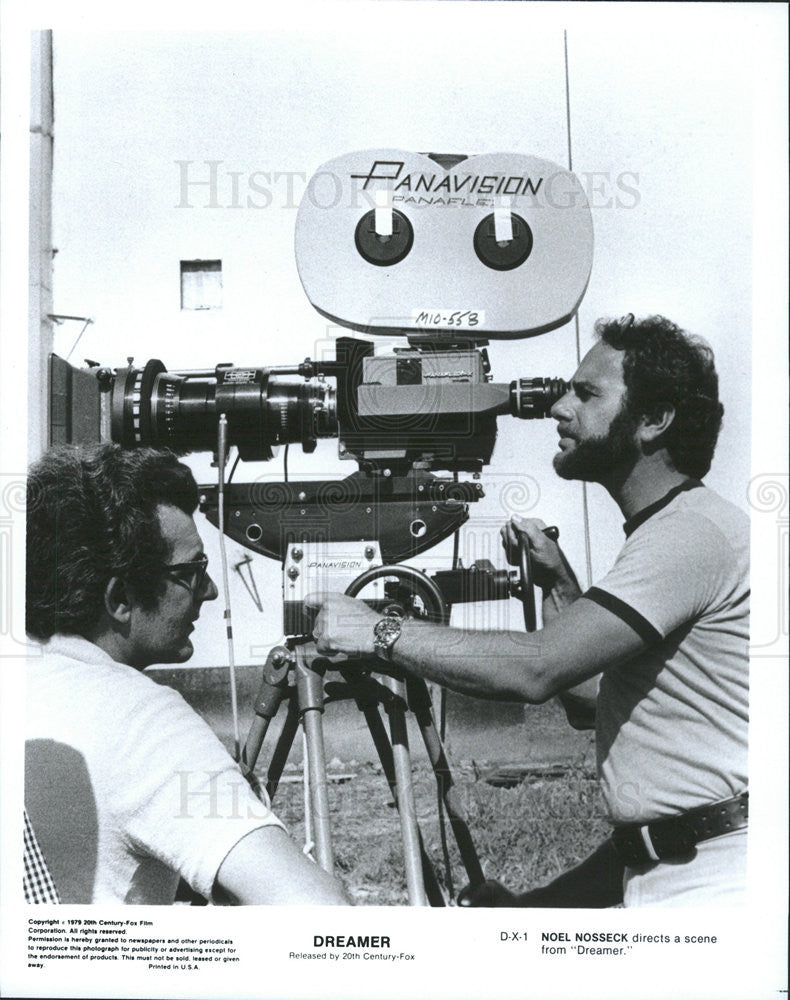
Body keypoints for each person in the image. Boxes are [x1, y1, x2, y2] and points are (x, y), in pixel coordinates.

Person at [306, 314, 749, 907]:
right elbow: (591, 702)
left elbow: (535, 670)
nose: (559, 408)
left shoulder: (687, 534)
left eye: (586, 394)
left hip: (717, 882)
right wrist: (559, 586)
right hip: (675, 870)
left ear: (652, 420)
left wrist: (377, 630)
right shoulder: (674, 529)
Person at [25, 443, 349, 905]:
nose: (212, 591)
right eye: (193, 571)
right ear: (119, 599)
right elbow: (322, 915)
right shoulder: (139, 718)